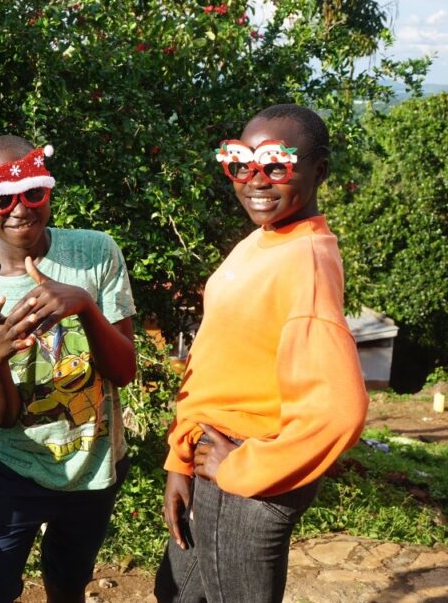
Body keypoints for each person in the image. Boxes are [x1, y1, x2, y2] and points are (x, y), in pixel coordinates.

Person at [154, 104, 369, 602]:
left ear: (319, 170)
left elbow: (341, 410)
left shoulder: (306, 262)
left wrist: (244, 469)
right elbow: (216, 360)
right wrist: (180, 460)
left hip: (246, 477)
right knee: (176, 595)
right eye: (240, 164)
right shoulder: (262, 241)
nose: (256, 180)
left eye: (276, 165)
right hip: (215, 462)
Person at [0, 135, 138, 603]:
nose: (20, 209)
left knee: (68, 584)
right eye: (2, 198)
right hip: (19, 471)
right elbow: (2, 416)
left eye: (33, 192)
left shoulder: (94, 253)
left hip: (94, 468)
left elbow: (124, 370)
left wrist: (86, 308)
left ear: (49, 189)